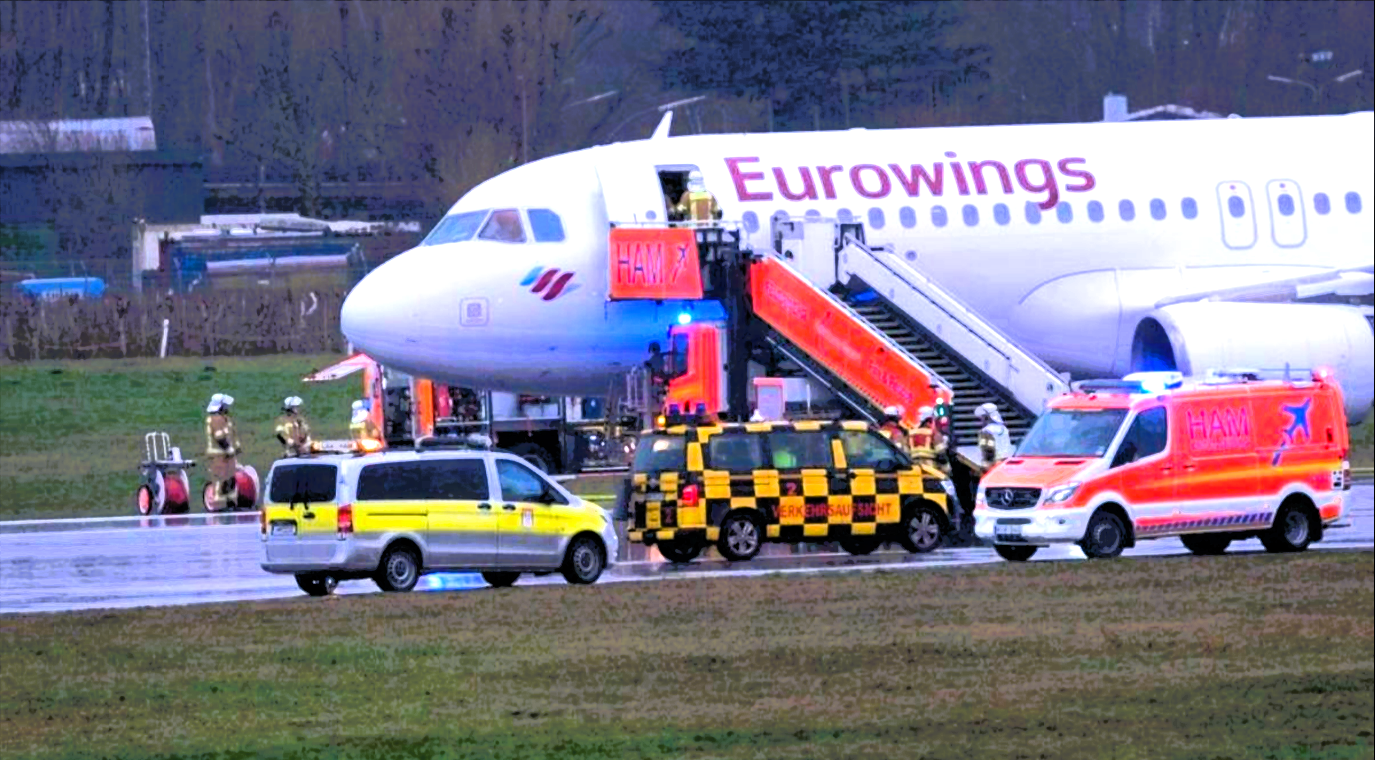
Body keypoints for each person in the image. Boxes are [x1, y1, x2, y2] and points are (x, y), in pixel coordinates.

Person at [204, 393, 240, 510]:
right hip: (219, 454)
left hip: (226, 455)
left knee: (230, 478)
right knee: (220, 478)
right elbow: (219, 437)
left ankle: (230, 502)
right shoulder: (216, 419)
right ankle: (218, 503)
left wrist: (235, 446)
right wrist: (228, 448)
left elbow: (230, 434)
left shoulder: (224, 419)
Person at [975, 402, 1014, 469]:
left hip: (994, 465)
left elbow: (988, 450)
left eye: (982, 417)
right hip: (1006, 462)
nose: (981, 420)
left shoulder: (986, 431)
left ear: (987, 417)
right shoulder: (1004, 429)